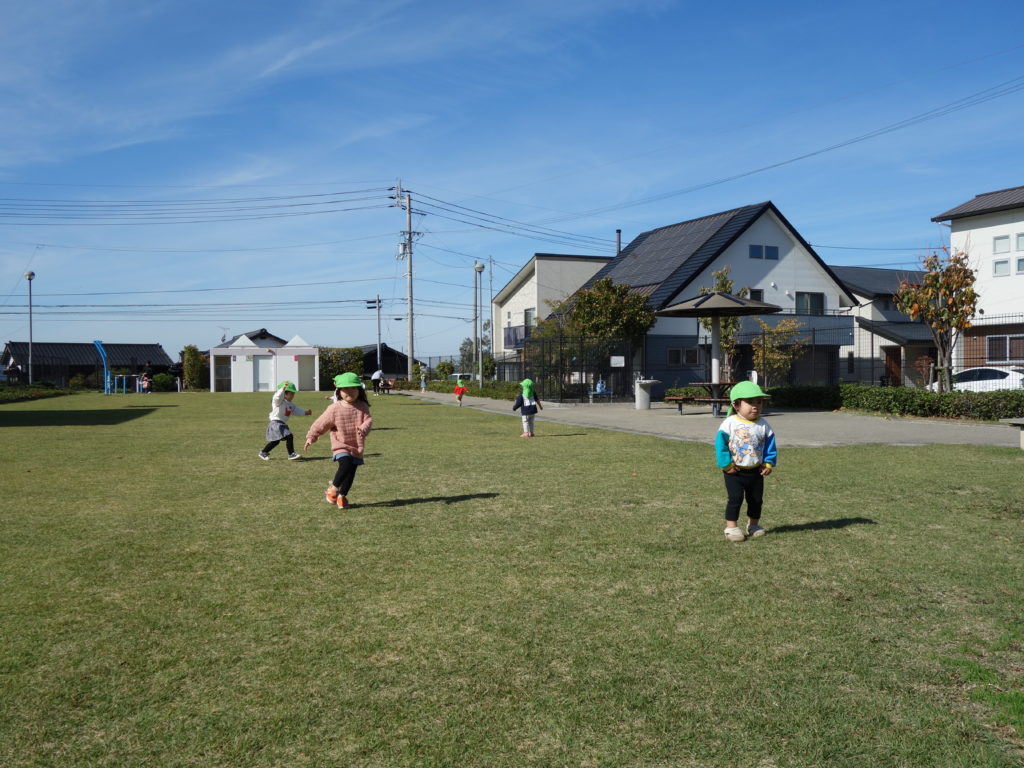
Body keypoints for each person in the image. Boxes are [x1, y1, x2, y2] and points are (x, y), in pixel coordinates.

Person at [714, 381, 777, 542]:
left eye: (759, 402)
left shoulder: (763, 425)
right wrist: (726, 465)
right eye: (750, 402)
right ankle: (731, 527)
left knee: (756, 500)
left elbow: (770, 445)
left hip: (756, 471)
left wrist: (768, 463)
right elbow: (721, 445)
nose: (755, 406)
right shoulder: (730, 423)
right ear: (736, 405)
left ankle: (753, 525)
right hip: (734, 471)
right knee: (735, 499)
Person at [305, 372, 373, 509]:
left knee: (351, 473)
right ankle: (333, 488)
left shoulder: (362, 406)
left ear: (359, 390)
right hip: (340, 444)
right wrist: (311, 436)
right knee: (346, 463)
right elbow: (321, 423)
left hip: (357, 446)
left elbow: (368, 420)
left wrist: (363, 428)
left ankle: (342, 497)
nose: (350, 392)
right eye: (346, 389)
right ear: (339, 391)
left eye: (353, 388)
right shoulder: (334, 408)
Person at [259, 381, 311, 461]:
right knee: (289, 436)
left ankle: (264, 452)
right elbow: (277, 397)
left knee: (276, 441)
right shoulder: (279, 402)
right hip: (275, 423)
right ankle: (291, 454)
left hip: (281, 424)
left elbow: (297, 410)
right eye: (291, 394)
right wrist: (282, 389)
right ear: (285, 394)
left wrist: (305, 412)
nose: (293, 396)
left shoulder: (290, 404)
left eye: (293, 394)